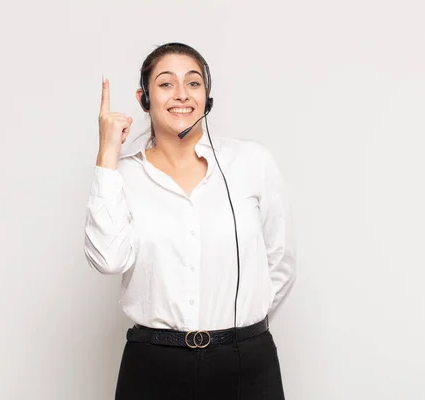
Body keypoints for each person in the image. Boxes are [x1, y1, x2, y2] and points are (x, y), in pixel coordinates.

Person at [83, 42, 296, 400]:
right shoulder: (122, 174)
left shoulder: (252, 163)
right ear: (144, 97)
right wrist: (106, 154)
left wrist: (241, 330)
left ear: (207, 96)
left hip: (246, 361)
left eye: (193, 83)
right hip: (153, 364)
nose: (181, 94)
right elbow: (108, 260)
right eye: (166, 83)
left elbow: (281, 262)